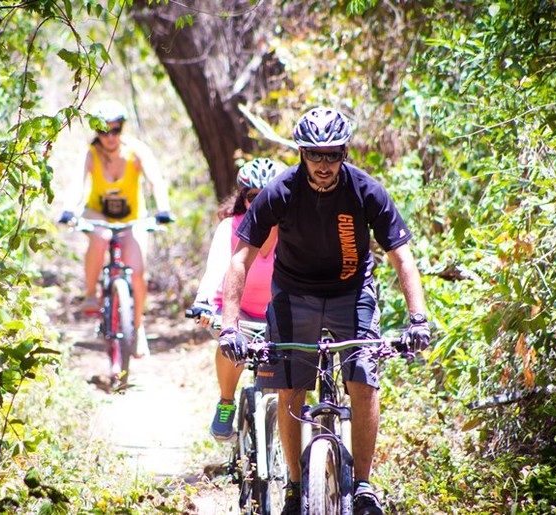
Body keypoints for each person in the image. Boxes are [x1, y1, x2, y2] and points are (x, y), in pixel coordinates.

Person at [217, 107, 431, 515]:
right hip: (294, 295)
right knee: (291, 386)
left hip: (352, 294)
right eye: (315, 154)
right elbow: (241, 259)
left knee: (363, 380)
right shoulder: (279, 192)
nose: (324, 164)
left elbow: (402, 258)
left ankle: (365, 487)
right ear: (301, 153)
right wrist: (230, 327)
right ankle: (297, 489)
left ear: (345, 153)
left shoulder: (366, 191)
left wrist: (417, 318)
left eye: (332, 154)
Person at [67, 99, 172, 357]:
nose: (110, 137)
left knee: (137, 273)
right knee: (100, 237)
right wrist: (69, 209)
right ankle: (91, 294)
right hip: (98, 214)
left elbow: (155, 180)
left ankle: (136, 328)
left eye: (115, 130)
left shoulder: (136, 151)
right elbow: (76, 185)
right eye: (104, 131)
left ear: (122, 129)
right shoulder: (90, 154)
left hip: (132, 219)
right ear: (97, 133)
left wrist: (163, 209)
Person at [190, 158, 283, 441]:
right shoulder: (231, 227)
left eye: (270, 195)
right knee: (232, 340)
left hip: (277, 314)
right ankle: (226, 402)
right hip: (236, 310)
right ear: (244, 198)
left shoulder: (294, 230)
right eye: (255, 196)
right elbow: (216, 268)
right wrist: (203, 302)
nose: (262, 203)